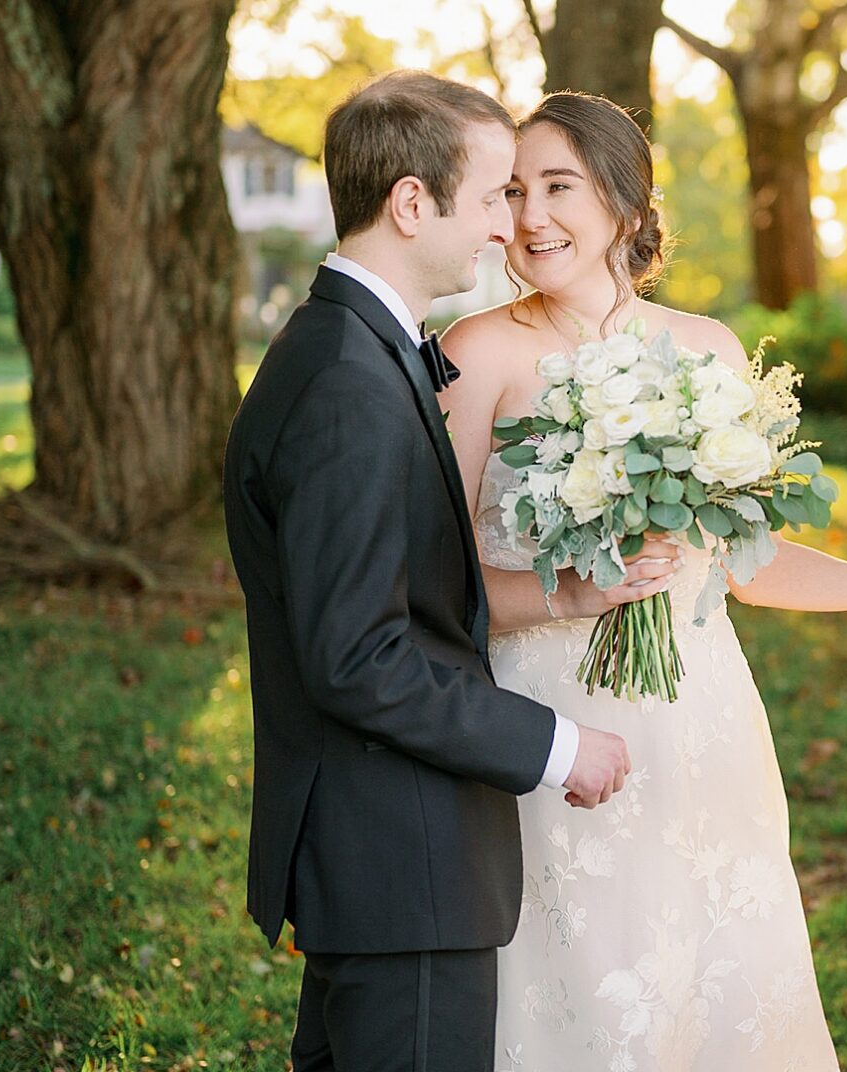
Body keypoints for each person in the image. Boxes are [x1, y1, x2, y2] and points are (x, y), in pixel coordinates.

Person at [440, 90, 847, 1072]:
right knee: (587, 991)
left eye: (559, 186)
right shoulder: (479, 353)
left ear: (626, 208)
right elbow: (439, 581)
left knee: (713, 986)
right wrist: (576, 596)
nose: (531, 214)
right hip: (550, 732)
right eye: (513, 190)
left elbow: (751, 568)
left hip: (702, 720)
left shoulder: (710, 349)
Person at [223, 74, 632, 1072]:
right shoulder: (346, 385)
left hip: (383, 858)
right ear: (414, 203)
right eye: (494, 194)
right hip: (398, 863)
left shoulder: (362, 348)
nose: (509, 225)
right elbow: (358, 657)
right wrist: (553, 743)